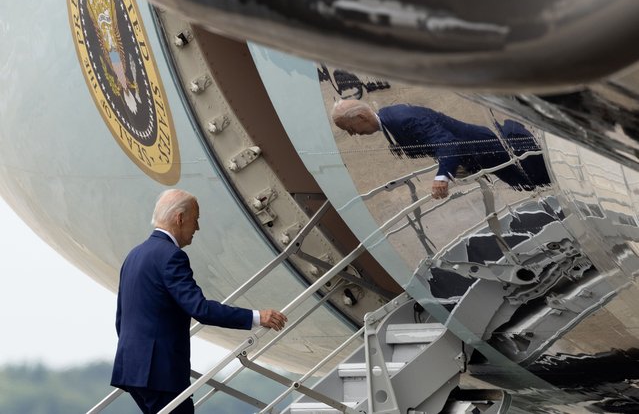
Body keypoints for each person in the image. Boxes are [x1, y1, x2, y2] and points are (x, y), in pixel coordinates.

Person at [110, 189, 288, 414]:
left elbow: (122, 317)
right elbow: (200, 309)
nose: (197, 228)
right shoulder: (171, 256)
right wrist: (256, 317)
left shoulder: (134, 255)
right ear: (180, 218)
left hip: (133, 368)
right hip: (160, 373)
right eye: (196, 219)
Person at [331, 100, 551, 199]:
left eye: (350, 129)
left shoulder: (401, 120)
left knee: (536, 181)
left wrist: (442, 177)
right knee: (531, 182)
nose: (353, 134)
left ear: (360, 117)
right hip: (481, 154)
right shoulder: (390, 118)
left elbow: (447, 144)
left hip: (491, 150)